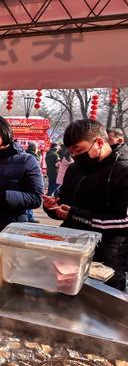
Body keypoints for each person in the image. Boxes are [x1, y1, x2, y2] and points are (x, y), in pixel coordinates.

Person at [43, 119, 128, 290]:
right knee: (64, 298)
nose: (74, 156)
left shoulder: (123, 171)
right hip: (71, 249)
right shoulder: (75, 169)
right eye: (71, 151)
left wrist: (76, 215)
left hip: (108, 256)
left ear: (98, 142)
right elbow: (64, 202)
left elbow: (124, 221)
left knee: (101, 306)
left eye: (78, 150)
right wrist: (52, 207)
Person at [25, 142, 42, 223]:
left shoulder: (28, 155)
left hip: (30, 182)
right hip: (29, 182)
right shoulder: (31, 157)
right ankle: (29, 218)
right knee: (29, 200)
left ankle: (30, 217)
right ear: (35, 149)